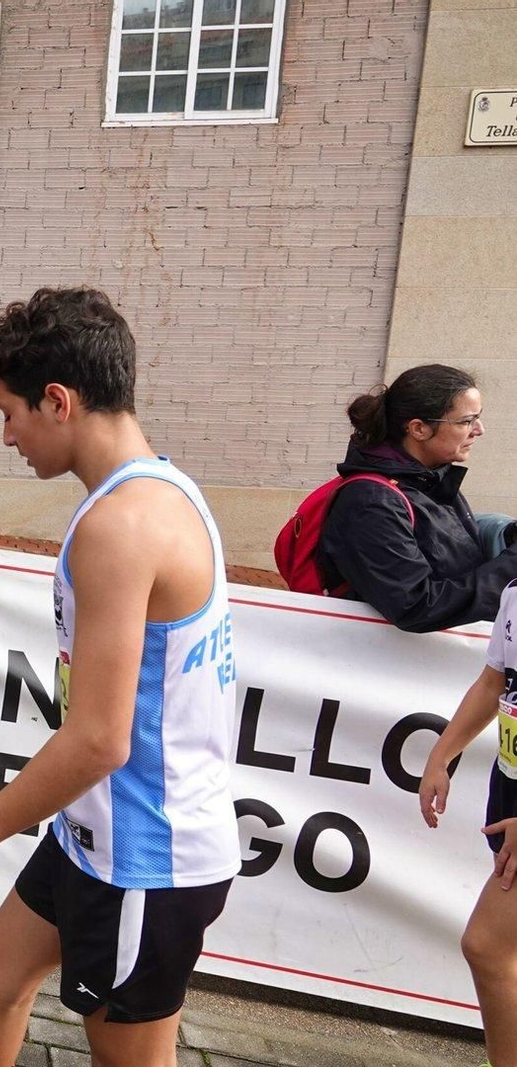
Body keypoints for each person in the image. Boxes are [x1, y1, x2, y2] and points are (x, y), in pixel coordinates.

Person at [0, 287, 238, 1067]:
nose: (8, 434)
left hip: (145, 859)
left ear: (58, 400)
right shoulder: (158, 489)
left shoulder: (121, 526)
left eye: (7, 411)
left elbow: (98, 739)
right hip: (96, 834)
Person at [318, 364, 517, 633]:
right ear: (418, 429)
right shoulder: (370, 502)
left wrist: (507, 535)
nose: (478, 429)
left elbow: (443, 542)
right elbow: (415, 605)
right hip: (385, 665)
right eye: (466, 421)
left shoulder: (426, 478)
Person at [420, 584, 517, 1067]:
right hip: (508, 796)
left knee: (487, 946)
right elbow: (491, 684)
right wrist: (441, 754)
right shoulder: (515, 594)